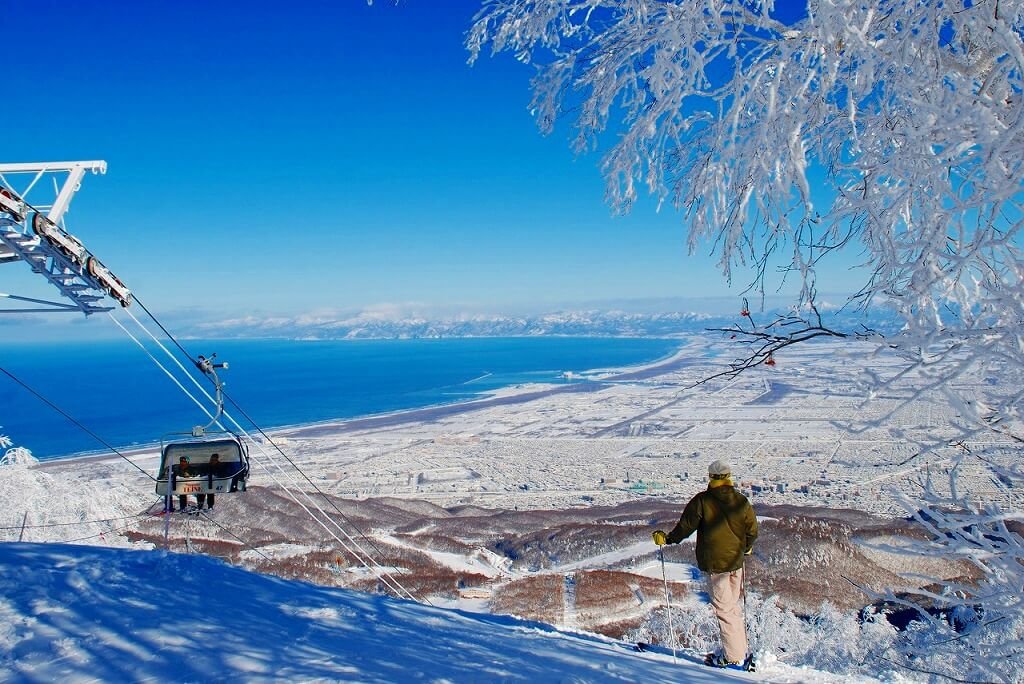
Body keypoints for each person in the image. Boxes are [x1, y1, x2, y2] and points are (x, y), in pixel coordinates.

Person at [652, 459, 758, 670]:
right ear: (729, 477)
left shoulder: (702, 501)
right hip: (736, 563)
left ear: (711, 477)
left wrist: (668, 538)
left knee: (724, 610)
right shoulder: (741, 501)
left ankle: (732, 656)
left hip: (715, 566)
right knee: (732, 608)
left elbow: (685, 527)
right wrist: (746, 547)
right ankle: (738, 649)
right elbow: (752, 530)